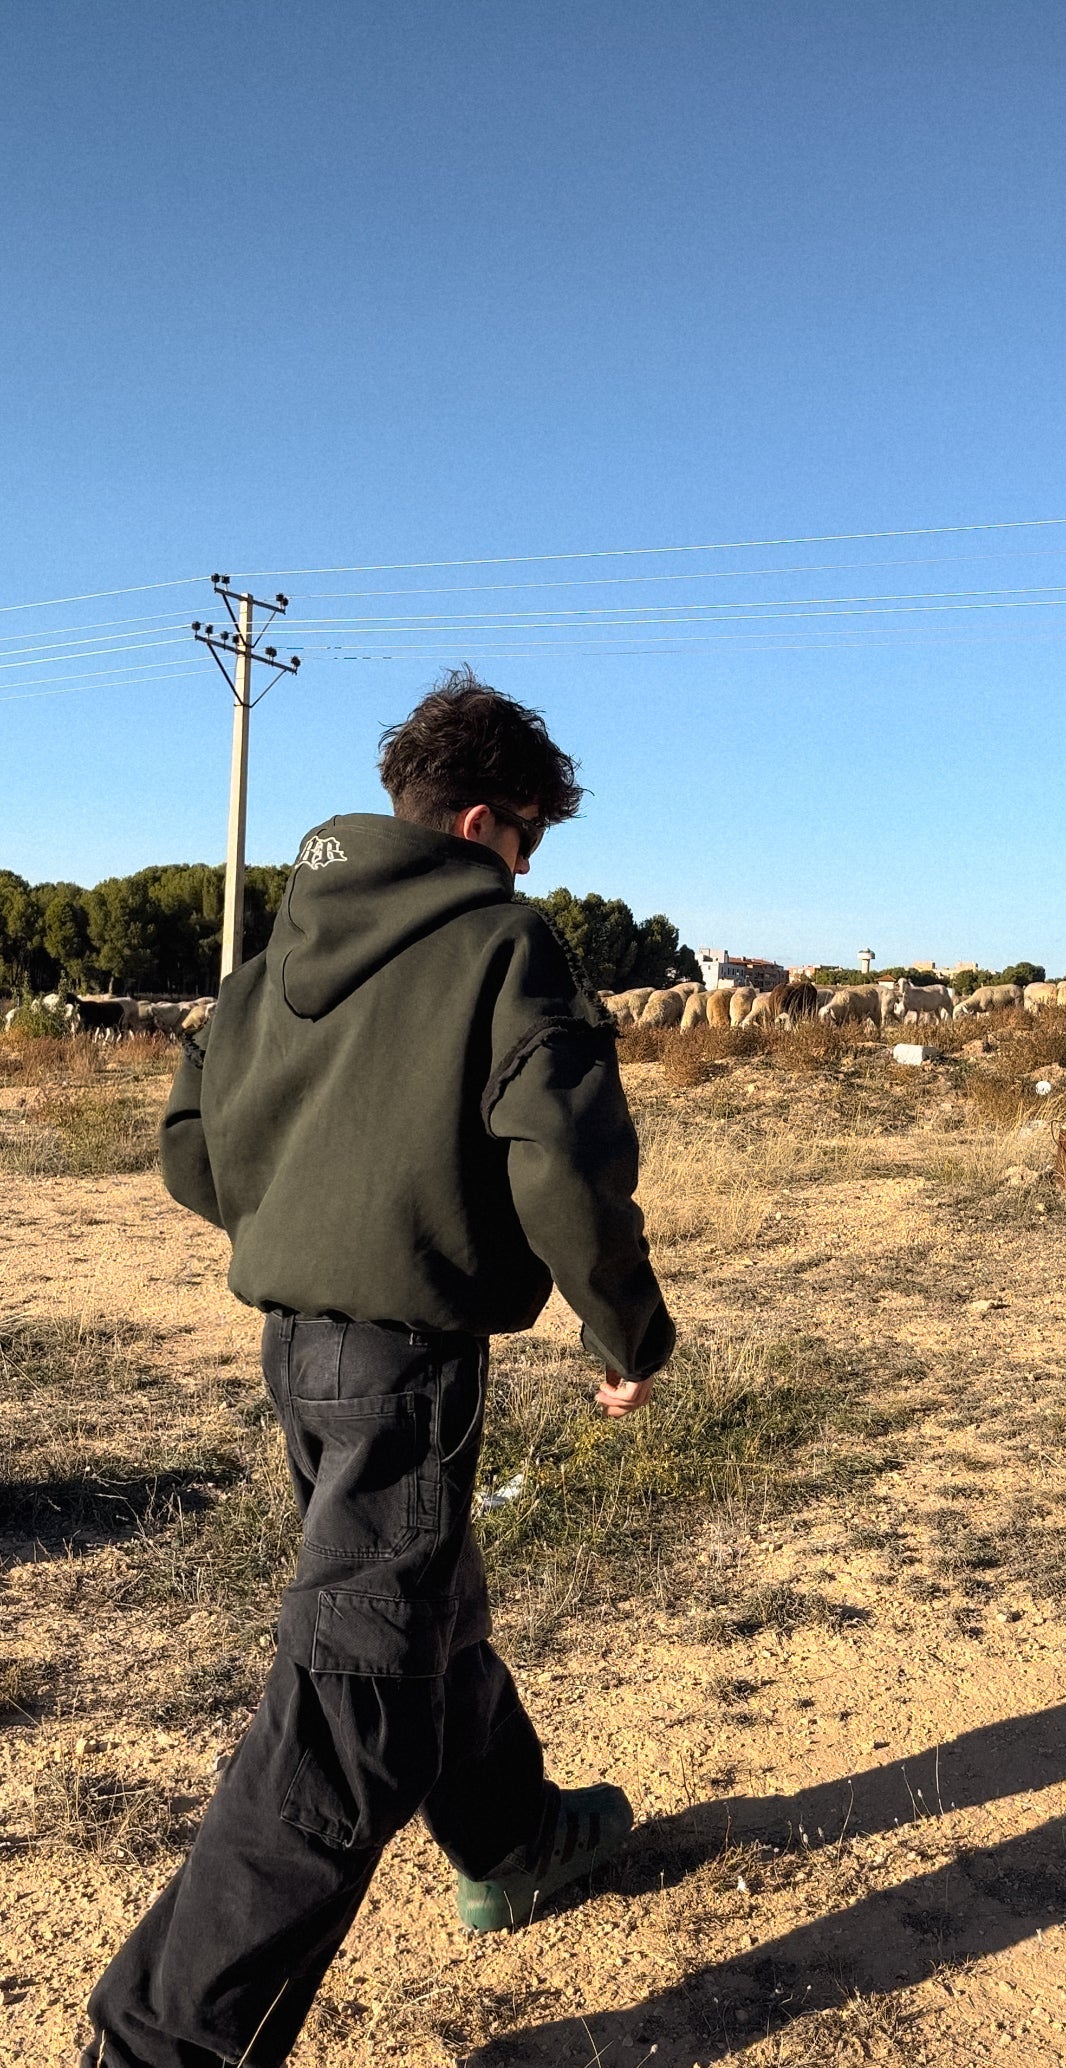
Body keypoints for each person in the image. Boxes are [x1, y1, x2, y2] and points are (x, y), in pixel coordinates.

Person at [81, 667, 675, 2068]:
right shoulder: (502, 943)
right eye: (529, 836)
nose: (530, 866)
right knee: (349, 1714)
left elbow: (189, 1143)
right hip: (404, 1367)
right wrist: (627, 1333)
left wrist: (301, 1232)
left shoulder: (273, 956)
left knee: (423, 1605)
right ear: (480, 822)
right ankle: (160, 2047)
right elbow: (564, 1160)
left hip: (296, 1353)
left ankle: (513, 1839)